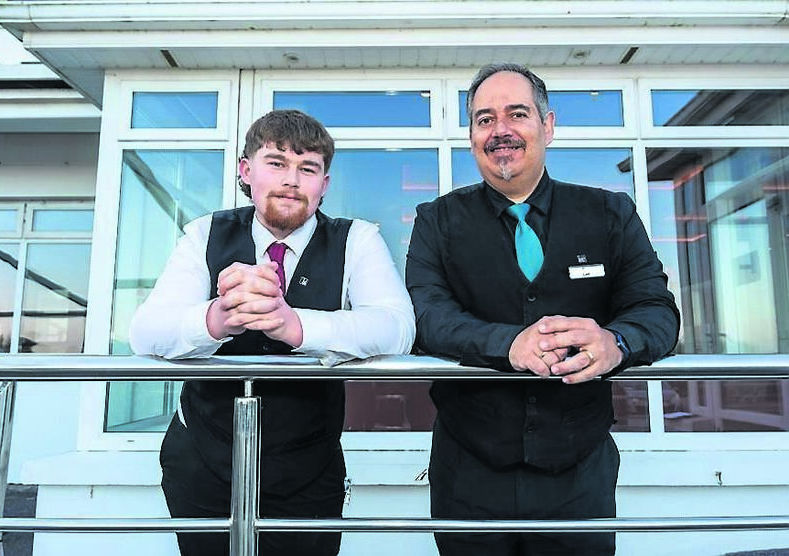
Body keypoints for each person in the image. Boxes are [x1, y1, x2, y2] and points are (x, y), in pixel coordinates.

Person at [405, 63, 680, 555]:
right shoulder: (436, 221)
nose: (500, 130)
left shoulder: (610, 213)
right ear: (471, 136)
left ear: (547, 126)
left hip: (578, 472)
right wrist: (508, 345)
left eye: (517, 114)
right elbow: (425, 317)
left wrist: (616, 343)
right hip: (468, 471)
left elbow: (657, 310)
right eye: (485, 119)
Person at [129, 109, 415, 556]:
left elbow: (397, 327)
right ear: (247, 171)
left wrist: (295, 325)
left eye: (308, 168)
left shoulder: (357, 239)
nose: (291, 180)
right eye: (277, 163)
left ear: (325, 184)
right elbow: (146, 332)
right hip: (202, 457)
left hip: (308, 465)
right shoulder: (204, 233)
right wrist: (218, 318)